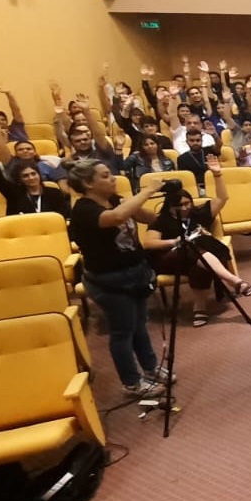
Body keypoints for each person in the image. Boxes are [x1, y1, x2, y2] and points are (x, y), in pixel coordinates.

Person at [66, 159, 168, 397]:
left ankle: (150, 368)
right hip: (109, 280)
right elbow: (117, 218)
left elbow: (147, 218)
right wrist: (148, 189)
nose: (112, 178)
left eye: (110, 173)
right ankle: (131, 382)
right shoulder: (83, 210)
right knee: (123, 331)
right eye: (104, 176)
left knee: (139, 324)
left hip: (135, 273)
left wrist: (164, 202)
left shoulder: (113, 199)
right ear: (87, 184)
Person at [145, 157, 251, 327]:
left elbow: (222, 198)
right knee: (191, 248)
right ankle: (235, 282)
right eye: (179, 205)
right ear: (170, 206)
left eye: (187, 203)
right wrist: (174, 242)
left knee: (198, 264)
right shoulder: (161, 220)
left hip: (194, 258)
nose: (185, 208)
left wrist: (217, 175)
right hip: (167, 259)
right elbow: (149, 244)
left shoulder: (197, 214)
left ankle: (200, 309)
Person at [0, 153, 69, 217]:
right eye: (25, 176)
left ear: (39, 175)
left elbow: (63, 215)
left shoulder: (54, 193)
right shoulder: (14, 193)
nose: (31, 178)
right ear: (20, 179)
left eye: (33, 174)